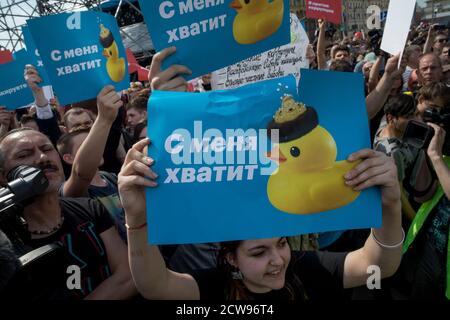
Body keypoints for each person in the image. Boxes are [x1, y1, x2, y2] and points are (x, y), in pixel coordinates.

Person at [0, 128, 136, 299]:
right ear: (3, 176)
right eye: (24, 154)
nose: (43, 158)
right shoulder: (4, 239)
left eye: (47, 149)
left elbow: (128, 275)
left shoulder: (89, 208)